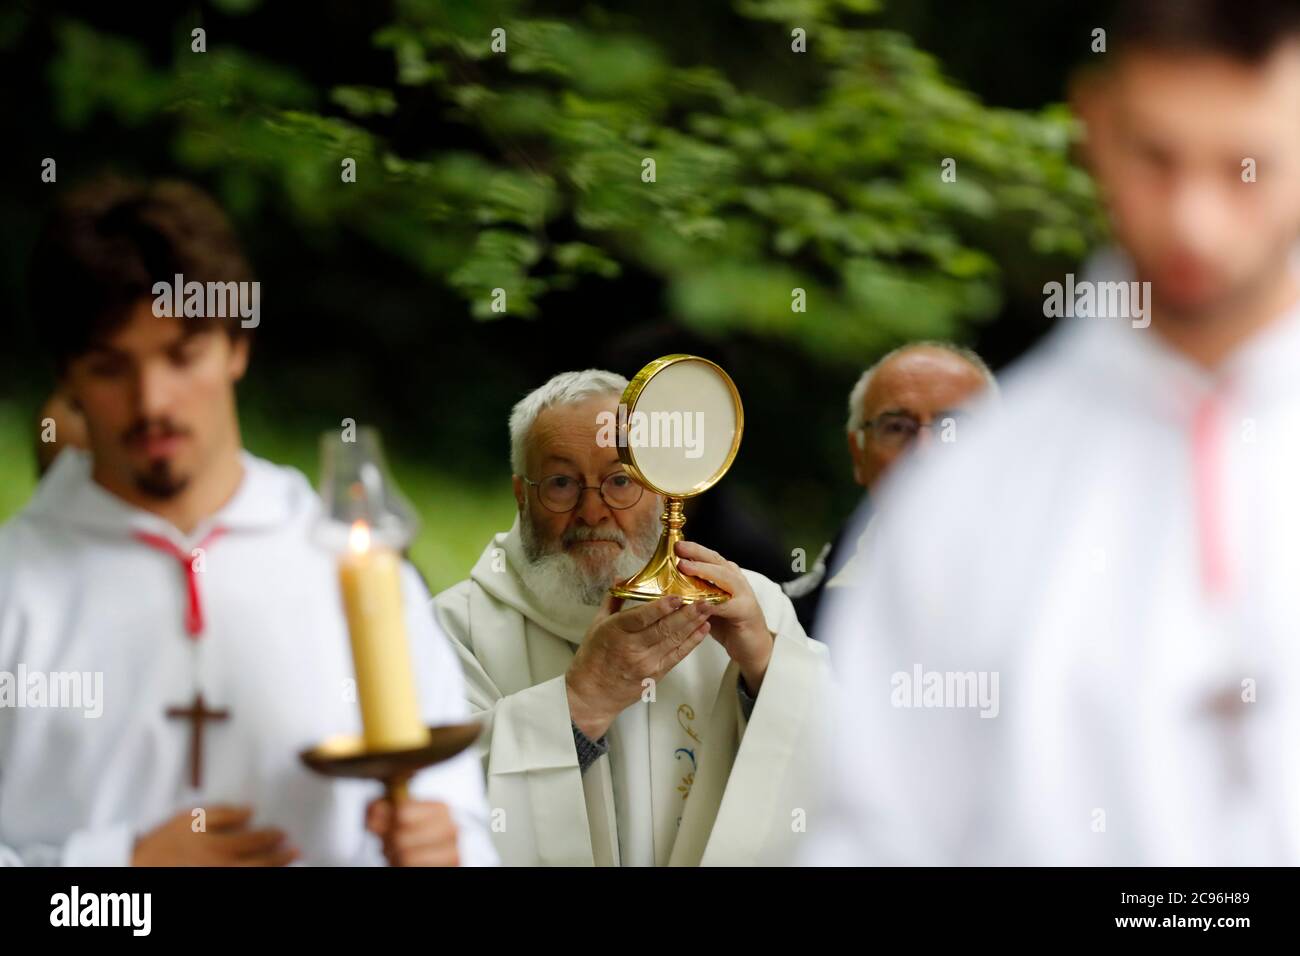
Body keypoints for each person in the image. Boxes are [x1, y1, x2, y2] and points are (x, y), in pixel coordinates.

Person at [805, 0, 1300, 865]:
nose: (1195, 221)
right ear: (1096, 125)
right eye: (1156, 156)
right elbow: (873, 838)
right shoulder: (964, 492)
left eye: (1246, 166)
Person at [0, 177, 495, 866]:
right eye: (112, 368)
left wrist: (447, 851)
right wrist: (118, 874)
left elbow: (458, 827)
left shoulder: (351, 565)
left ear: (236, 345)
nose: (153, 403)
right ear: (68, 378)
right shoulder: (15, 587)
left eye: (182, 355)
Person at [433, 370, 830, 865]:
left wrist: (767, 666)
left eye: (621, 480)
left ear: (665, 486)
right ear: (521, 494)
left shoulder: (748, 608)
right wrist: (580, 703)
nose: (593, 510)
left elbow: (844, 773)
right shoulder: (453, 629)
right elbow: (428, 804)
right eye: (561, 483)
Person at [784, 342, 995, 635]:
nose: (924, 452)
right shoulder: (791, 622)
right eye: (897, 427)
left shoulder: (1060, 587)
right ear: (859, 454)